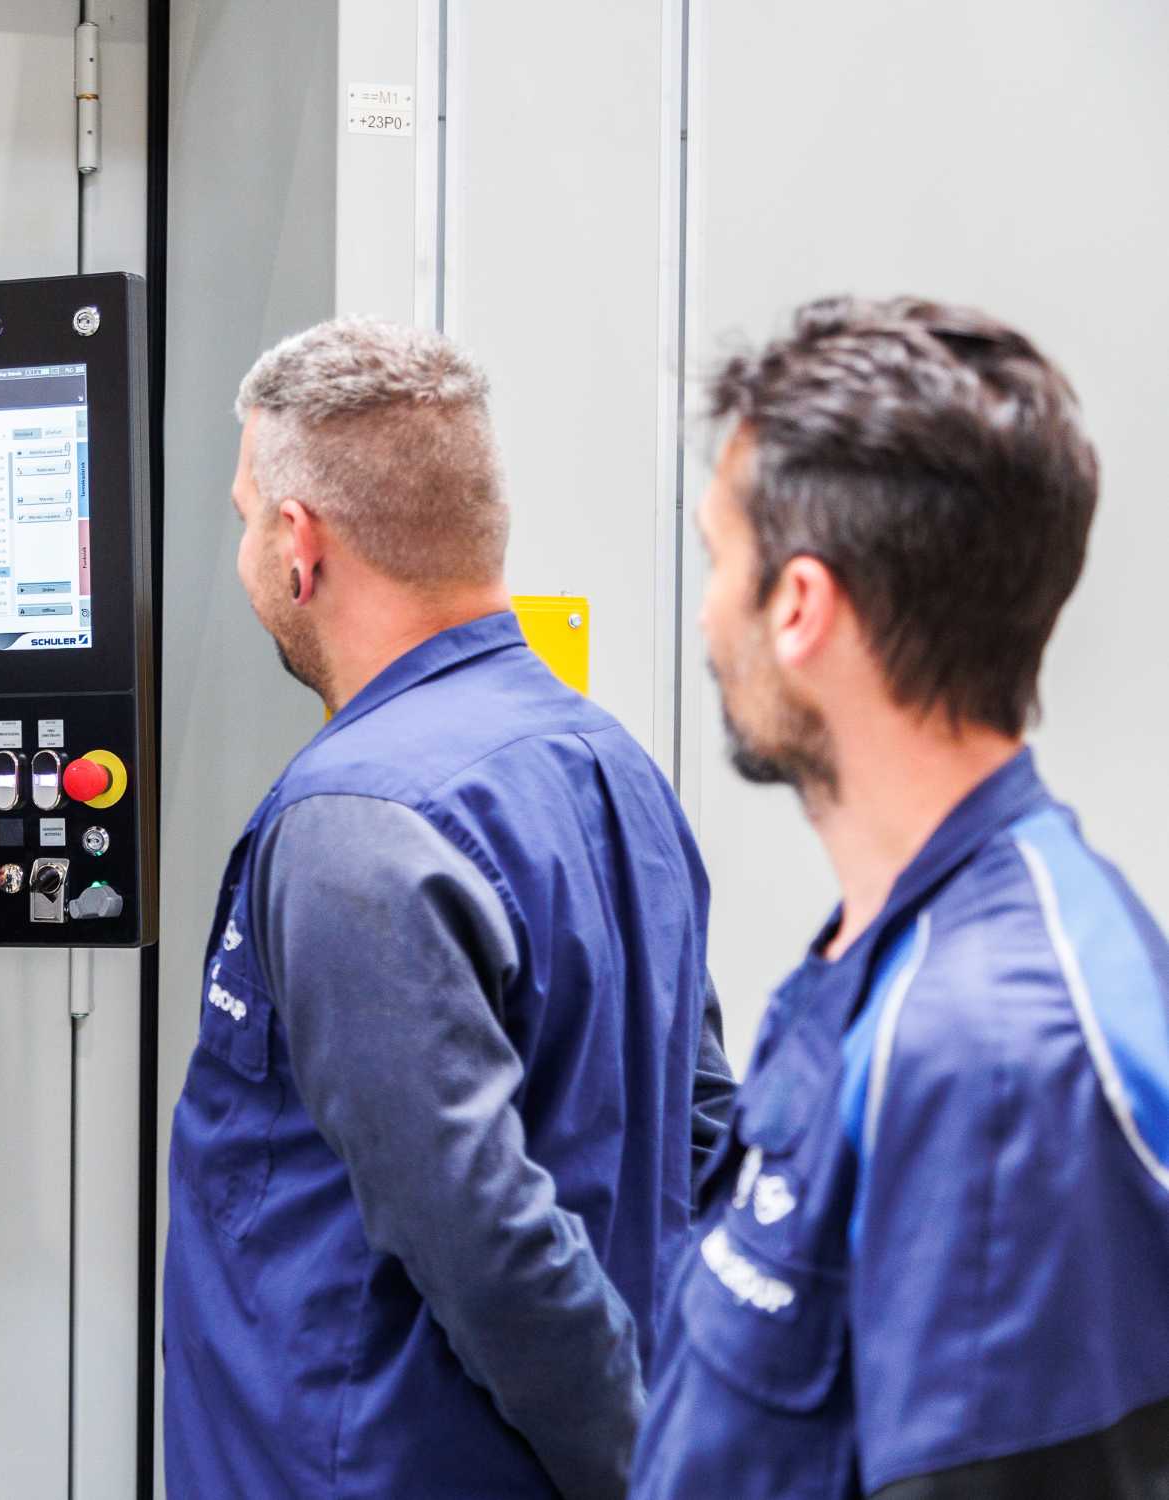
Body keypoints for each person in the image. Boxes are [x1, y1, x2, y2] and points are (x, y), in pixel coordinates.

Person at [162, 317, 732, 1498]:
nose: (246, 551)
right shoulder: (607, 761)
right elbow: (707, 1132)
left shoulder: (352, 822)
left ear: (299, 543)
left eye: (244, 517)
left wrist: (650, 1471)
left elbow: (486, 1242)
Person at [631, 297, 1169, 1497]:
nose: (709, 613)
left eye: (720, 560)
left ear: (801, 606)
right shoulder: (890, 947)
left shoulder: (996, 1060)